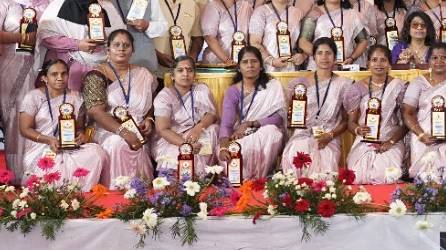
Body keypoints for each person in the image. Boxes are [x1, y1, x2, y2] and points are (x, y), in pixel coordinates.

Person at [0, 0, 50, 183]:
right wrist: (22, 37)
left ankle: (42, 172)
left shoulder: (46, 0)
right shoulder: (2, 1)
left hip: (42, 66)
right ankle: (18, 173)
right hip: (11, 65)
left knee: (42, 116)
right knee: (15, 116)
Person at [84, 29, 158, 184]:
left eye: (126, 45)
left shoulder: (144, 74)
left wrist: (149, 119)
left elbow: (152, 103)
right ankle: (115, 189)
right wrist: (123, 132)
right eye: (116, 45)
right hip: (108, 129)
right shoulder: (97, 75)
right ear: (108, 49)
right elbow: (95, 112)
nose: (121, 49)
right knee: (118, 143)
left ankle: (139, 192)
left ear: (133, 50)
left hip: (138, 129)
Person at [17, 58, 108, 184]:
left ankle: (78, 189)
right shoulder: (33, 97)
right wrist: (49, 140)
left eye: (64, 73)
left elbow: (79, 127)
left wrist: (81, 135)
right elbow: (25, 129)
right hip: (41, 146)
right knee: (50, 170)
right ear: (45, 78)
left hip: (69, 145)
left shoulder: (76, 97)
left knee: (97, 153)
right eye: (54, 74)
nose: (60, 78)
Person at [281, 38, 358, 177]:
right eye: (320, 53)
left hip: (329, 135)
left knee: (324, 170)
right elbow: (294, 116)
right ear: (314, 57)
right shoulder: (299, 84)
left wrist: (330, 135)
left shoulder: (345, 84)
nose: (324, 57)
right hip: (303, 133)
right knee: (296, 156)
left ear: (335, 57)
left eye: (328, 53)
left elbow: (346, 121)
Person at [38, 0, 124, 90]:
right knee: (66, 101)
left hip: (101, 67)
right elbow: (45, 36)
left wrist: (106, 42)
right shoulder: (57, 6)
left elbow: (120, 35)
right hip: (66, 67)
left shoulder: (107, 7)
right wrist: (77, 45)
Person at [342, 44, 409, 184]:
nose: (378, 64)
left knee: (386, 175)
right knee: (357, 175)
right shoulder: (356, 89)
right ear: (368, 64)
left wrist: (391, 142)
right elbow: (351, 123)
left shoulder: (399, 87)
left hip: (390, 140)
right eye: (374, 60)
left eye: (383, 60)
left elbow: (407, 121)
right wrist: (358, 129)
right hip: (365, 140)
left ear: (389, 65)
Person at [403, 42, 446, 177]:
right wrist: (421, 135)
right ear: (428, 61)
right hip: (424, 138)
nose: (439, 61)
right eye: (434, 58)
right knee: (427, 175)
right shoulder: (418, 83)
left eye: (444, 57)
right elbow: (407, 113)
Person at [219, 46, 287, 182]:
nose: (250, 65)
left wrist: (249, 124)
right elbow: (226, 124)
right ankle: (245, 179)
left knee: (271, 132)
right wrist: (223, 147)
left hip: (264, 129)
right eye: (245, 62)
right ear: (239, 67)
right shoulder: (233, 91)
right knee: (234, 149)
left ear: (261, 66)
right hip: (241, 133)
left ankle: (262, 176)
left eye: (254, 61)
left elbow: (278, 118)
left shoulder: (273, 86)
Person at [152, 56, 220, 177]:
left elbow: (212, 115)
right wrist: (186, 145)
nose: (185, 74)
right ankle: (185, 180)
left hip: (196, 134)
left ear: (194, 75)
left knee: (214, 128)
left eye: (189, 70)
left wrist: (198, 128)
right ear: (172, 76)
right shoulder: (164, 97)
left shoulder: (201, 89)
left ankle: (203, 175)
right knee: (179, 157)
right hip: (172, 139)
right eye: (180, 70)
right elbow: (162, 129)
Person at [307, 0, 368, 69]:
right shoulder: (314, 14)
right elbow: (303, 41)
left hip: (345, 66)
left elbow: (363, 41)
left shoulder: (352, 14)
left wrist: (352, 58)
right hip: (319, 67)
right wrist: (323, 57)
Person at [250, 0, 309, 73]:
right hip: (266, 68)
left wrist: (303, 56)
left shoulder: (298, 13)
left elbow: (305, 42)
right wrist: (271, 61)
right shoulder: (261, 12)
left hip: (290, 67)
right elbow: (254, 42)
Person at [153, 0, 202, 70]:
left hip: (183, 72)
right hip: (154, 70)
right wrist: (157, 55)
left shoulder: (191, 4)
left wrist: (192, 58)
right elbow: (138, 38)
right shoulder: (149, 2)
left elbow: (197, 37)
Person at [199, 0, 253, 67]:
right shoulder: (213, 7)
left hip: (242, 64)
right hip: (217, 64)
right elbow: (209, 38)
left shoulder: (245, 6)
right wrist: (227, 61)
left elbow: (253, 34)